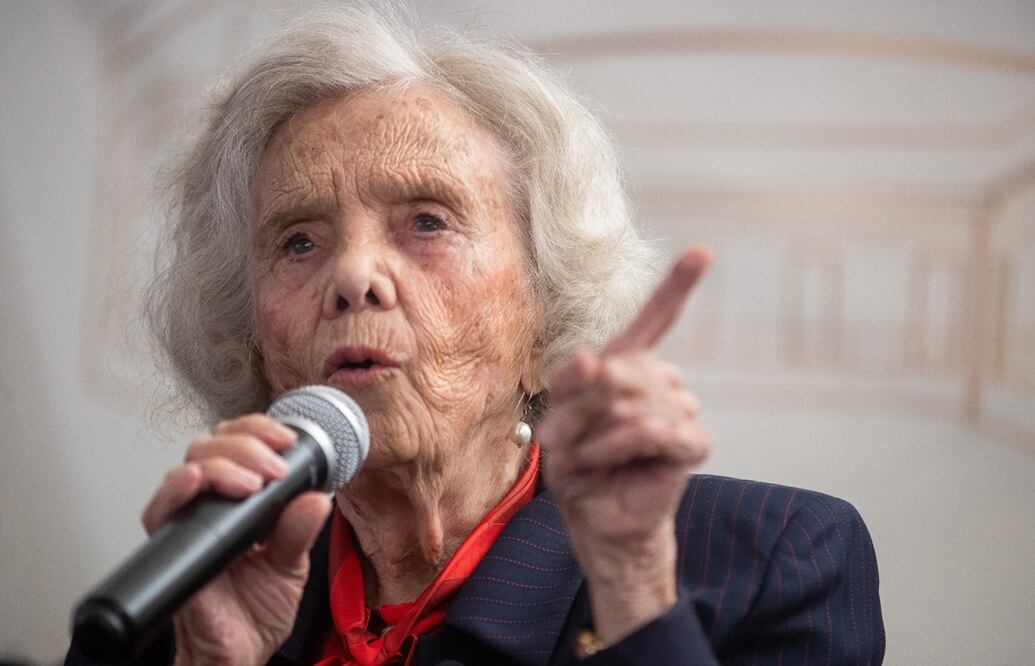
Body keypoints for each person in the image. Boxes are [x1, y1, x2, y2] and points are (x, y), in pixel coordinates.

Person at [67, 6, 884, 665]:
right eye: (299, 241)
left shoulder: (770, 561)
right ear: (251, 336)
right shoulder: (157, 620)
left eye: (427, 221)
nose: (355, 277)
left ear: (545, 314)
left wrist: (631, 584)